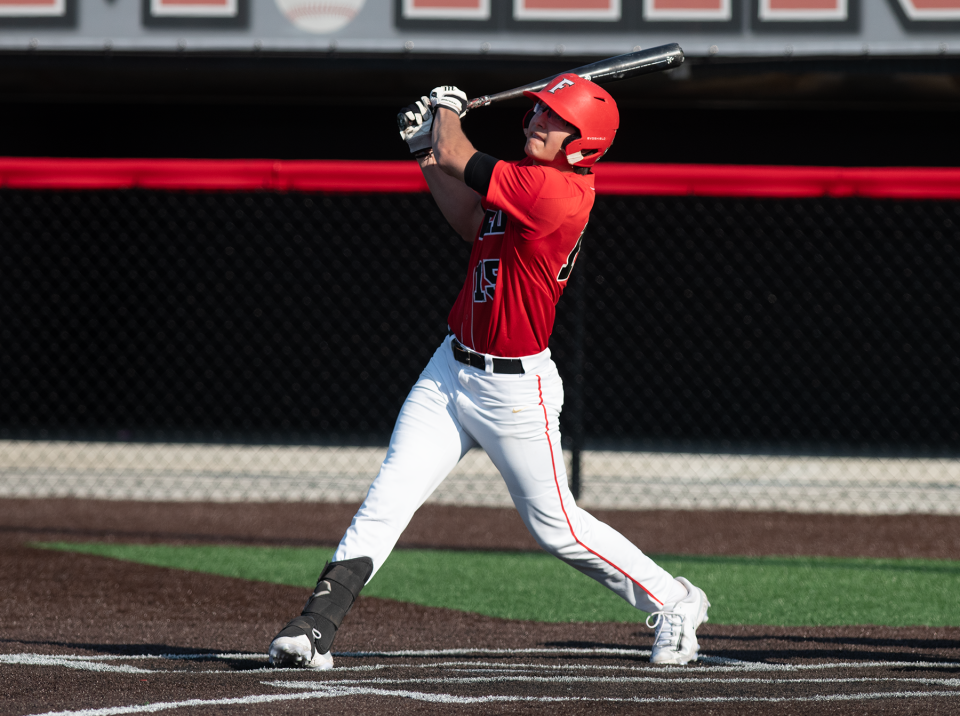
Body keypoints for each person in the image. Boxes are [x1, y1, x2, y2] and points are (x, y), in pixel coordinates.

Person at [267, 75, 709, 670]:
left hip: (514, 391)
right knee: (388, 498)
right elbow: (470, 220)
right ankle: (314, 626)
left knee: (559, 529)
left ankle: (676, 600)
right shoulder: (524, 185)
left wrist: (446, 110)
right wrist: (425, 151)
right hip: (451, 370)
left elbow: (458, 152)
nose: (535, 123)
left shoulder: (556, 191)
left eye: (553, 120)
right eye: (537, 114)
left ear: (584, 143)